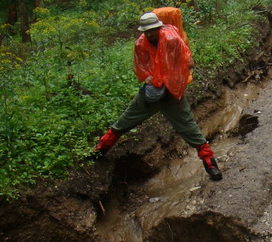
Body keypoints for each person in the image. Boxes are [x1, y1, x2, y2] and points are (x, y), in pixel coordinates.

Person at [94, 12, 222, 181]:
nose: (149, 34)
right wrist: (148, 77)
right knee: (124, 122)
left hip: (172, 93)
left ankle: (211, 165)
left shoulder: (172, 40)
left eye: (152, 30)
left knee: (190, 129)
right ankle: (99, 152)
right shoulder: (140, 44)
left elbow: (188, 62)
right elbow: (140, 67)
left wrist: (171, 77)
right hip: (151, 93)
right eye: (146, 31)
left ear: (158, 27)